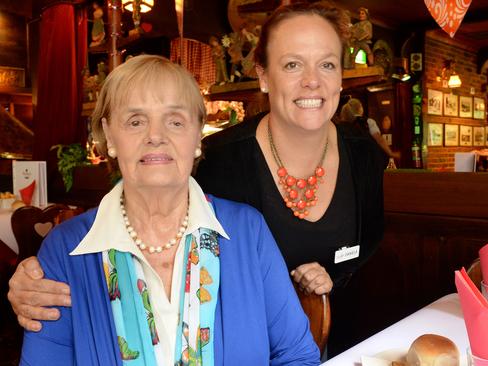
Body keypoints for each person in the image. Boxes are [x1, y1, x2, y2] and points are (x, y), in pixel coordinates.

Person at [8, 1, 386, 352]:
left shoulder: (362, 155)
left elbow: (365, 244)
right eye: (292, 64)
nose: (312, 81)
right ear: (263, 76)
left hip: (353, 336)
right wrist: (34, 276)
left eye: (327, 64)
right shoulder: (222, 163)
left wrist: (330, 283)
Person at [18, 55, 320, 365]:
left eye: (175, 121)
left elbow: (297, 355)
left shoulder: (247, 231)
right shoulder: (64, 251)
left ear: (197, 136)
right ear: (109, 136)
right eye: (136, 121)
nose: (156, 136)